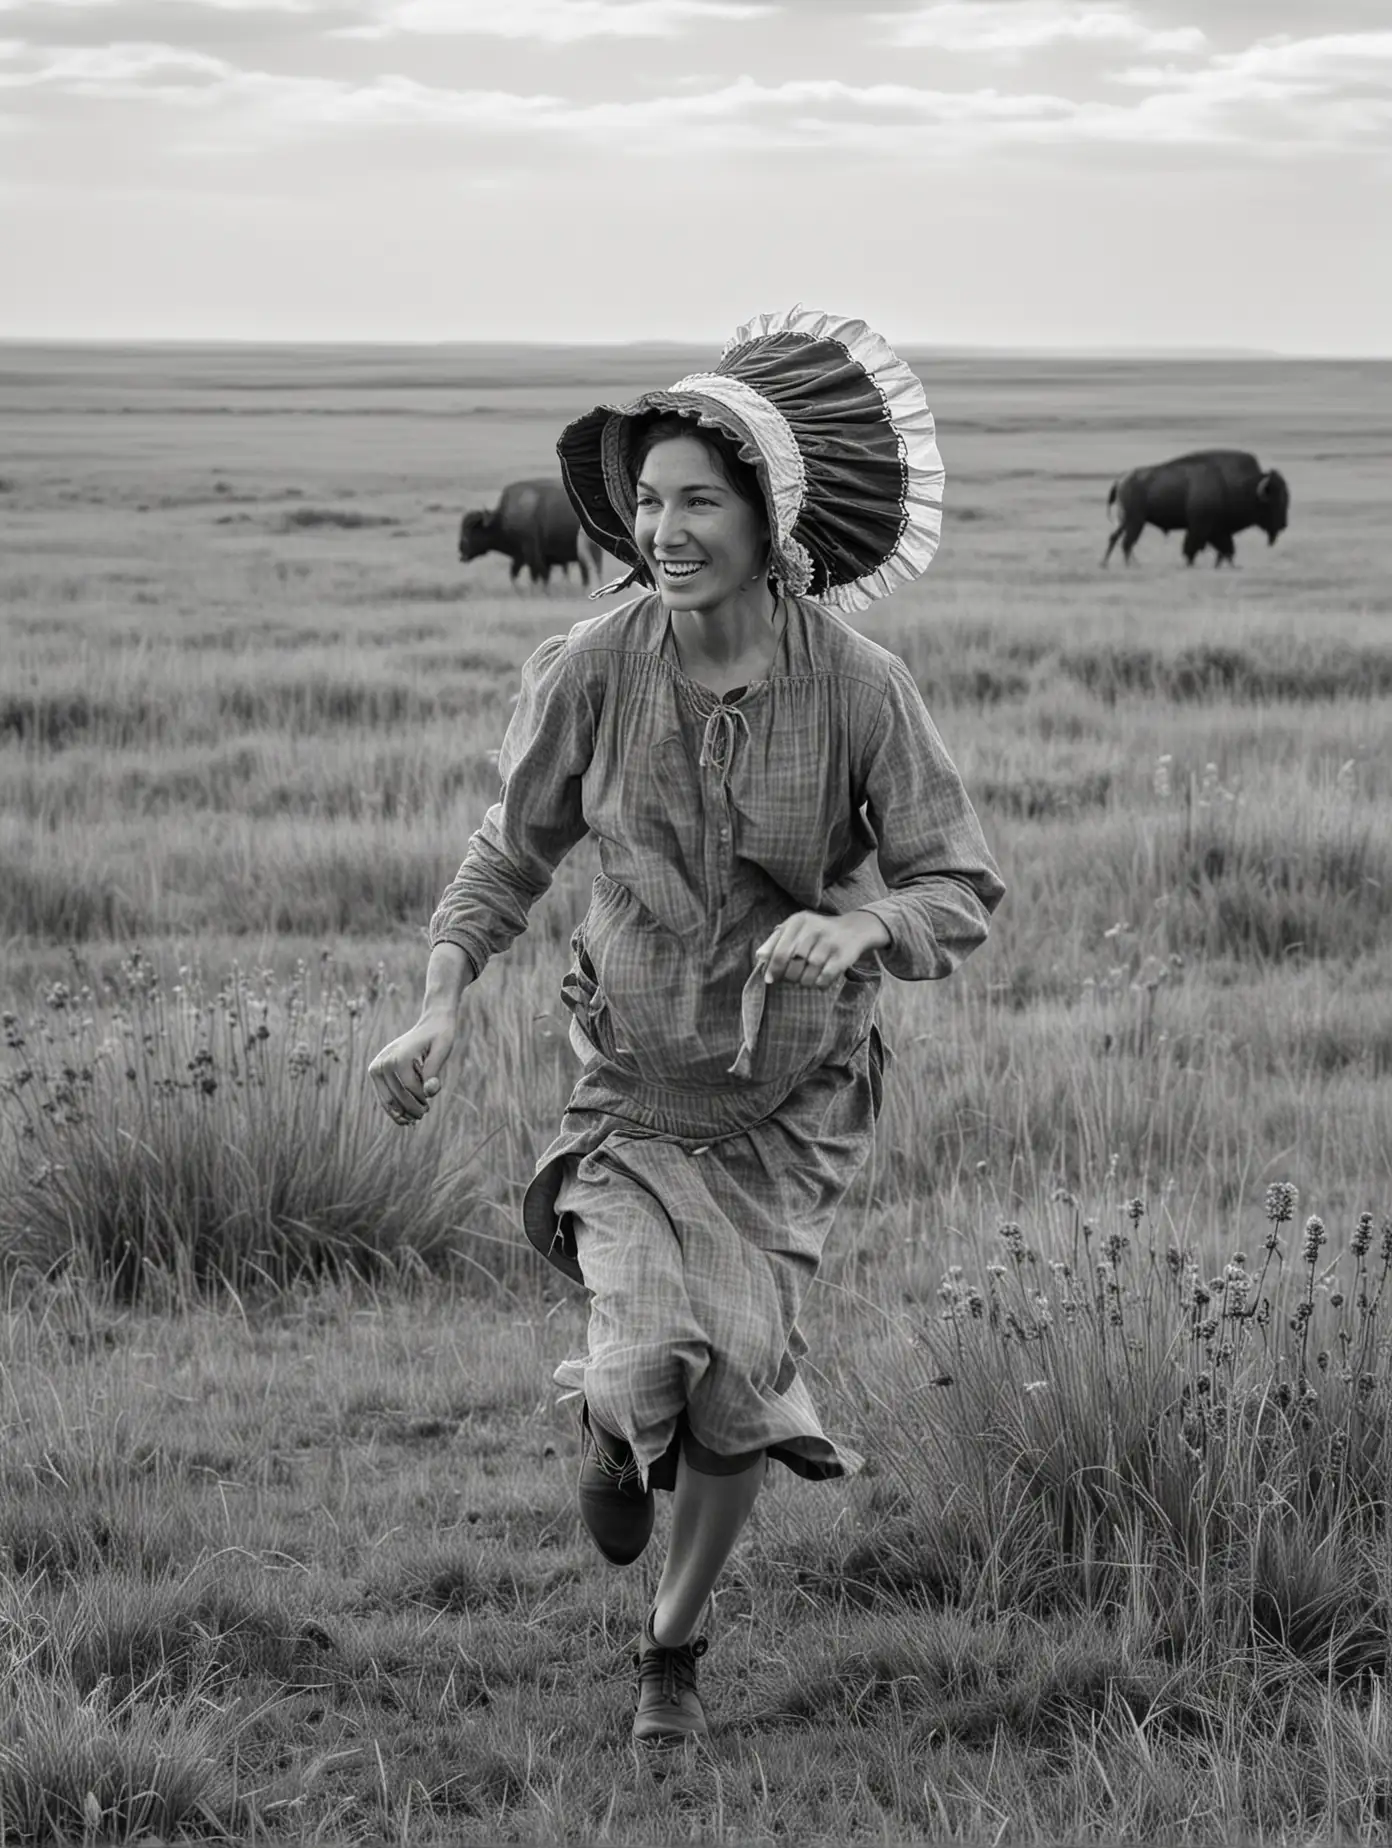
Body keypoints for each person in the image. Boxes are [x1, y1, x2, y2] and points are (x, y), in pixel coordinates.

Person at [369, 305, 1004, 1749]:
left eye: (698, 501)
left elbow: (958, 880)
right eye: (648, 502)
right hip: (637, 1093)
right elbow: (509, 852)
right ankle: (601, 1415)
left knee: (737, 1389)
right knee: (647, 1360)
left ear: (766, 519)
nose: (665, 528)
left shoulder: (859, 687)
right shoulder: (596, 665)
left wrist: (864, 924)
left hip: (793, 1104)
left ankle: (673, 1643)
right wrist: (440, 1003)